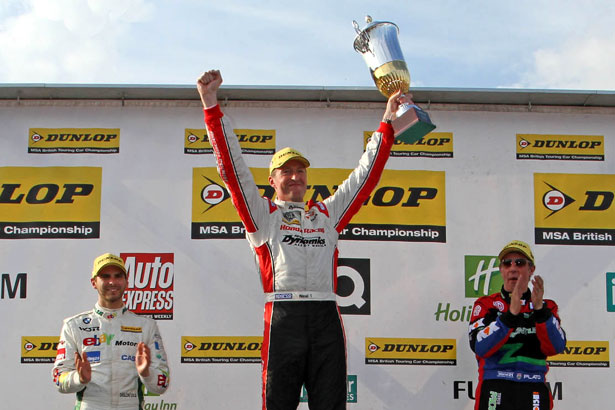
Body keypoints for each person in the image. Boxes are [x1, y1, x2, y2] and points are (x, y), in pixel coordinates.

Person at [197, 69, 404, 410]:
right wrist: (210, 106)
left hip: (326, 316)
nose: (295, 176)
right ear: (272, 179)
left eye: (300, 170)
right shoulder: (263, 215)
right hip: (283, 316)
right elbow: (232, 171)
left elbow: (364, 178)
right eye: (286, 171)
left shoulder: (326, 215)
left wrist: (386, 122)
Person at [52, 253, 170, 409]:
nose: (112, 282)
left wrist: (146, 373)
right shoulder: (74, 325)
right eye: (105, 276)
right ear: (94, 282)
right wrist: (79, 378)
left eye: (118, 276)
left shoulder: (146, 325)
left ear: (126, 282)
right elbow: (59, 379)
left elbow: (161, 385)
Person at [468, 240, 566, 410]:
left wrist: (540, 310)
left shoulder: (547, 307)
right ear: (501, 270)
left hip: (533, 386)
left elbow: (556, 347)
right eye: (507, 263)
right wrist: (509, 316)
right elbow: (480, 347)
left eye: (519, 263)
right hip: (495, 385)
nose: (513, 268)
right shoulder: (486, 305)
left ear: (531, 270)